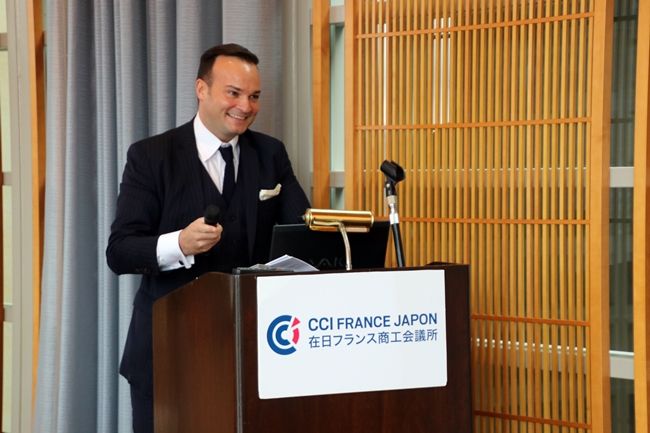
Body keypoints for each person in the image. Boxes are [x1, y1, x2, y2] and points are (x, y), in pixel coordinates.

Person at [106, 43, 310, 433]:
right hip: (167, 352)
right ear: (201, 89)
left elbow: (302, 234)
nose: (245, 106)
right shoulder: (151, 156)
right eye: (234, 93)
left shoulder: (271, 154)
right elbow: (120, 252)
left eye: (254, 96)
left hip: (256, 351)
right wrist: (179, 244)